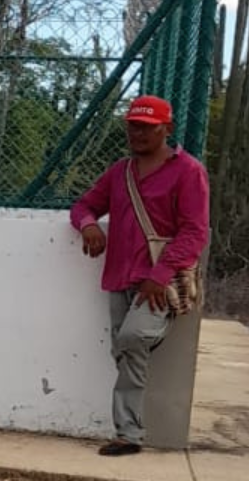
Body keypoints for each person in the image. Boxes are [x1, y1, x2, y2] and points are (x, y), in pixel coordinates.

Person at [69, 95, 210, 456]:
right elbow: (84, 205)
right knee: (127, 350)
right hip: (119, 274)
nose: (138, 134)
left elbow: (195, 231)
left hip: (158, 282)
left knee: (132, 337)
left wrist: (160, 273)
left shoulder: (188, 171)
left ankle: (152, 334)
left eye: (147, 128)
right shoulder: (120, 172)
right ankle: (128, 434)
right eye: (133, 126)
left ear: (167, 129)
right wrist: (88, 226)